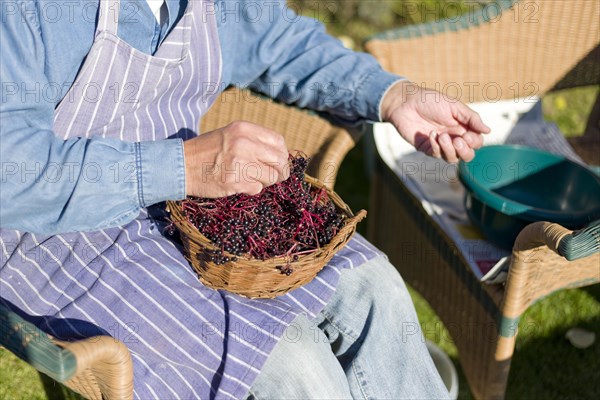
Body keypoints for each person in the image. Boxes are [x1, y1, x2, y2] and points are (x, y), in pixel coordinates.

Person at [0, 0, 489, 398]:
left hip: (191, 202)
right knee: (295, 365)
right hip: (58, 236)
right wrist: (182, 166)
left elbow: (276, 40)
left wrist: (391, 95)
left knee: (372, 283)